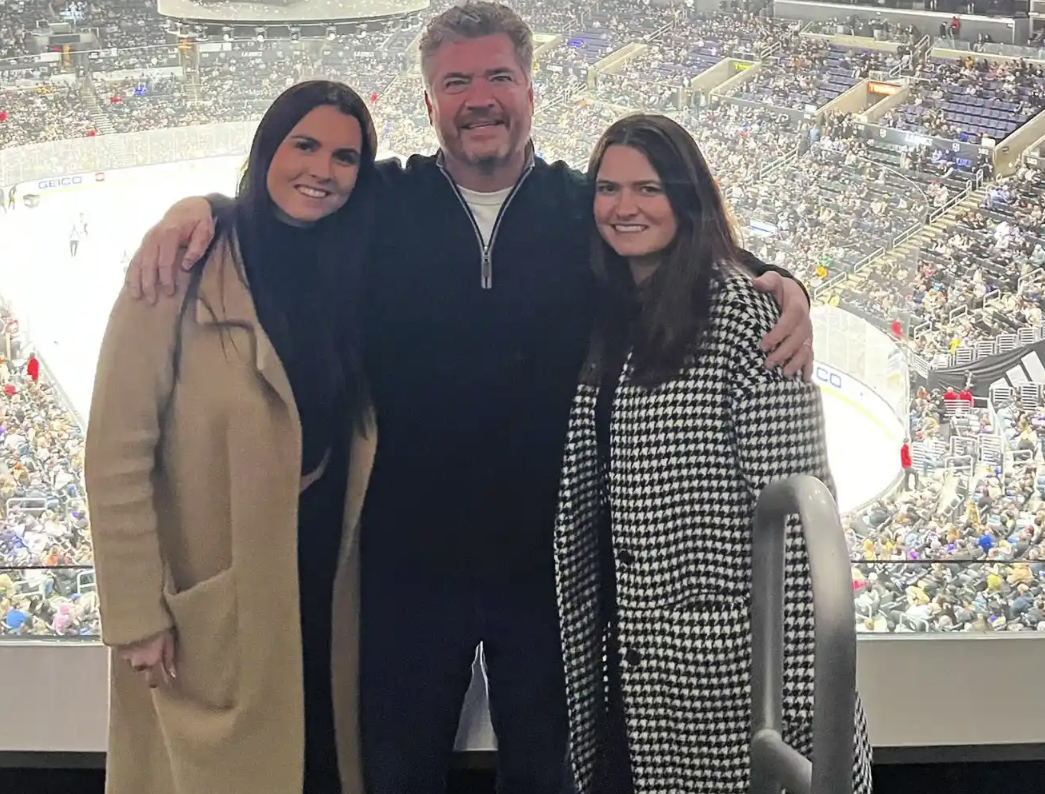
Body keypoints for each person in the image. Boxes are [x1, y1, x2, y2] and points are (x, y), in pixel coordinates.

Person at [122, 5, 816, 793]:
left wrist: (777, 279)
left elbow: (677, 230)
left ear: (529, 88)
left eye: (497, 77)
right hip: (404, 569)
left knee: (552, 777)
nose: (478, 98)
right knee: (393, 772)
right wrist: (204, 210)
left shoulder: (584, 208)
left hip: (550, 573)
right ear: (429, 102)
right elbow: (285, 207)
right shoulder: (382, 202)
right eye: (456, 82)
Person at [553, 113, 872, 793]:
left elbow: (796, 531)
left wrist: (805, 719)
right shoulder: (604, 313)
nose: (623, 207)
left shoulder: (745, 316)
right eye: (608, 189)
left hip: (720, 678)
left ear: (687, 199)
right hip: (622, 668)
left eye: (648, 188)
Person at [84, 80, 379, 794]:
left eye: (345, 157)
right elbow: (117, 451)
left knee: (318, 766)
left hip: (323, 586)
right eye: (304, 145)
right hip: (222, 597)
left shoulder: (353, 270)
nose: (322, 169)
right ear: (266, 147)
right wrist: (134, 615)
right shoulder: (180, 268)